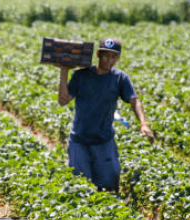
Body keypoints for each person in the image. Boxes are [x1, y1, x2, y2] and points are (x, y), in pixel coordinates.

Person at [58, 38, 154, 192]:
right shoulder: (81, 76)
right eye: (106, 55)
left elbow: (135, 101)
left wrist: (144, 123)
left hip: (104, 140)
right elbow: (63, 101)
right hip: (79, 140)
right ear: (98, 54)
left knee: (111, 183)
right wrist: (64, 71)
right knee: (81, 188)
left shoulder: (120, 78)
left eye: (114, 57)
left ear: (118, 58)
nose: (110, 60)